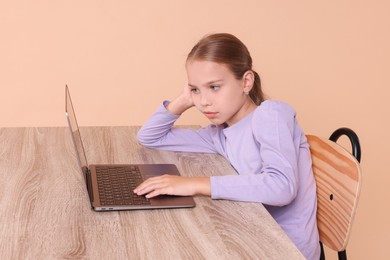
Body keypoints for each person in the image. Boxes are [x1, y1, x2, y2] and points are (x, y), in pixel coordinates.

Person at [134, 33, 320, 259]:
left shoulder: (271, 114)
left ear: (246, 82)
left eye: (214, 87)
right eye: (196, 90)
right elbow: (150, 137)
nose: (204, 102)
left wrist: (195, 184)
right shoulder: (220, 134)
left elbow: (281, 186)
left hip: (283, 248)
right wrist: (184, 100)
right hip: (247, 234)